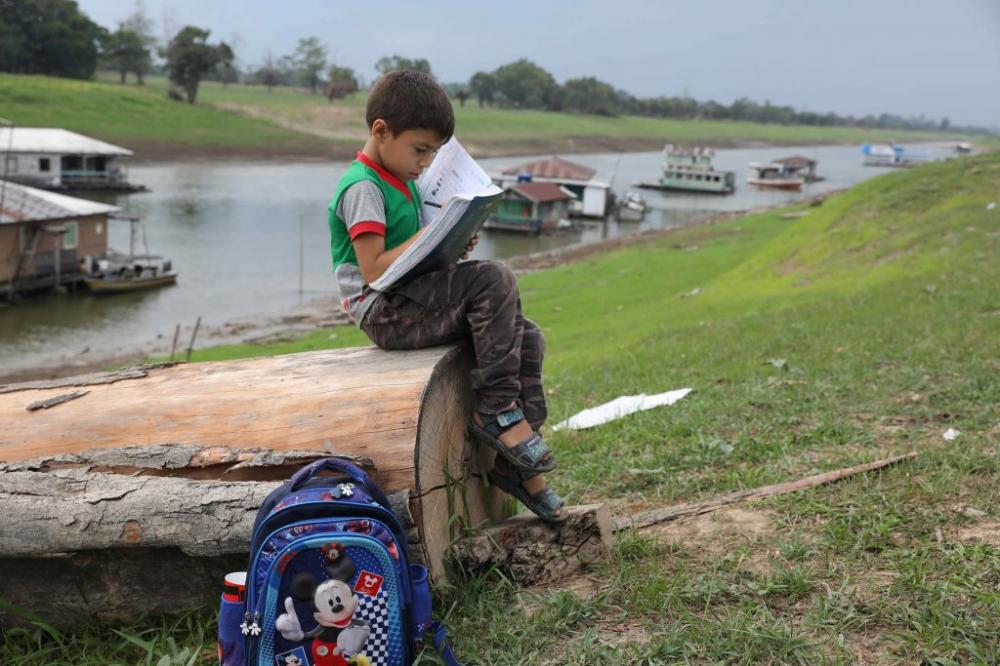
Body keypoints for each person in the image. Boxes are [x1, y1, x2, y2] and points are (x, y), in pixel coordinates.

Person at [327, 70, 564, 522]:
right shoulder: (363, 187)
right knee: (495, 279)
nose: (424, 162)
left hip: (410, 297)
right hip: (384, 311)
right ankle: (496, 411)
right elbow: (375, 268)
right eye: (420, 149)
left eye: (433, 153)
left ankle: (518, 467)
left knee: (526, 336)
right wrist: (433, 235)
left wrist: (451, 240)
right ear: (381, 131)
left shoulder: (405, 182)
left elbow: (413, 257)